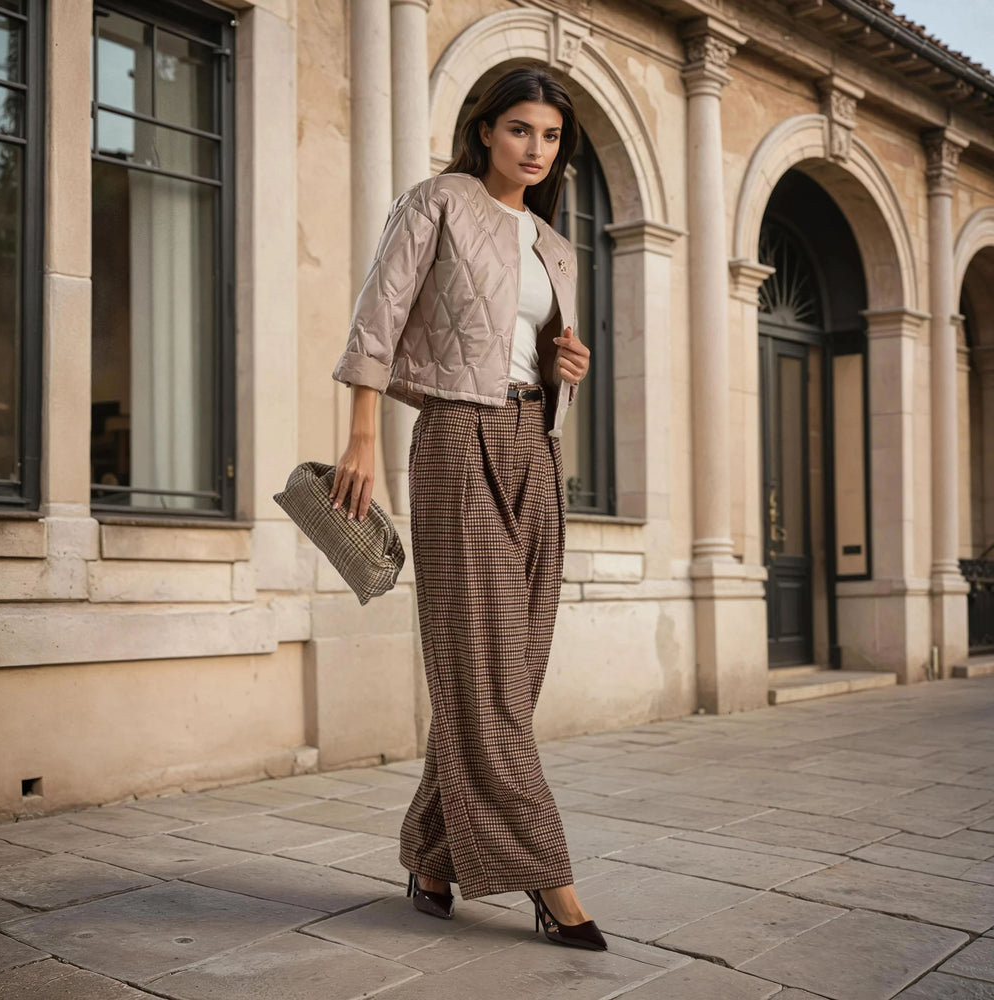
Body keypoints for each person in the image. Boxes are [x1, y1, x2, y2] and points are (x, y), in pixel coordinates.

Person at [330, 66, 603, 952]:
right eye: (520, 129)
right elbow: (378, 318)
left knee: (509, 675)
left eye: (551, 136)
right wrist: (361, 438)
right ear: (485, 129)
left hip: (536, 447)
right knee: (483, 671)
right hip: (455, 438)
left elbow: (530, 353)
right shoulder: (438, 202)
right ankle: (551, 881)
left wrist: (565, 369)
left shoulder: (556, 246)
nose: (536, 148)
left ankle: (431, 855)